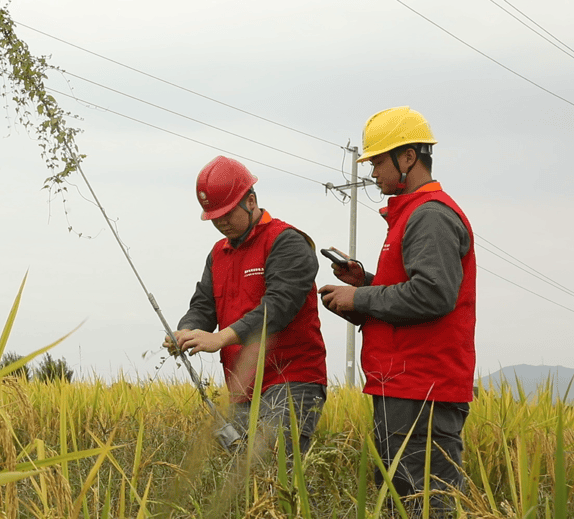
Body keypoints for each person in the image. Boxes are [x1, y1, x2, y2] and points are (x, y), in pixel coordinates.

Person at [318, 106, 476, 516]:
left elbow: (433, 295)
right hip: (405, 387)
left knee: (424, 503)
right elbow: (413, 295)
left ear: (408, 157)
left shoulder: (430, 216)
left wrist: (361, 299)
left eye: (377, 161)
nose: (371, 173)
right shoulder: (411, 215)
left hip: (422, 390)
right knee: (401, 500)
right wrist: (364, 283)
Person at [166, 156, 327, 455]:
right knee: (246, 483)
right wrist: (186, 330)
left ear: (250, 200)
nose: (221, 222)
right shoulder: (218, 253)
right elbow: (203, 305)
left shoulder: (287, 242)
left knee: (273, 472)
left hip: (290, 380)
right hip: (242, 389)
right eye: (214, 217)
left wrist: (220, 338)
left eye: (226, 213)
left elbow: (278, 307)